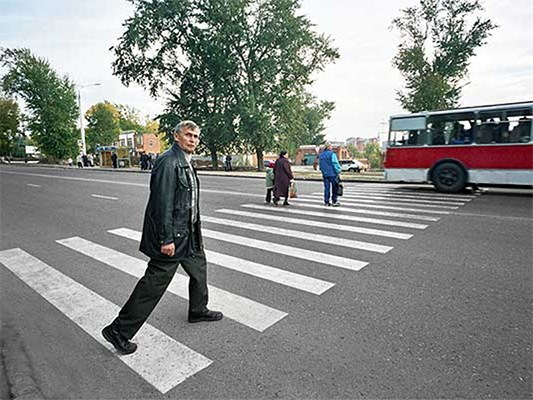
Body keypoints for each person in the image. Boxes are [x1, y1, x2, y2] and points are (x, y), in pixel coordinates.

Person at [102, 120, 223, 355]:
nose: (193, 140)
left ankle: (198, 310)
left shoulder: (185, 161)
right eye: (188, 135)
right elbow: (161, 205)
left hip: (189, 233)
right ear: (176, 136)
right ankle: (119, 330)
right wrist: (166, 239)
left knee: (199, 269)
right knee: (154, 284)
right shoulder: (168, 162)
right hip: (172, 237)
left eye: (196, 136)